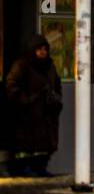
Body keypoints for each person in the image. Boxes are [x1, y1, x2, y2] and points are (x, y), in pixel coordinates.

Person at [4, 34, 63, 177]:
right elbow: (11, 84)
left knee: (45, 143)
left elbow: (57, 84)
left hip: (47, 112)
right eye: (39, 49)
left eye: (45, 49)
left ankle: (40, 166)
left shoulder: (50, 66)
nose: (43, 52)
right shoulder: (22, 65)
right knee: (27, 142)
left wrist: (56, 99)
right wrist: (26, 100)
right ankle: (24, 167)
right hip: (28, 112)